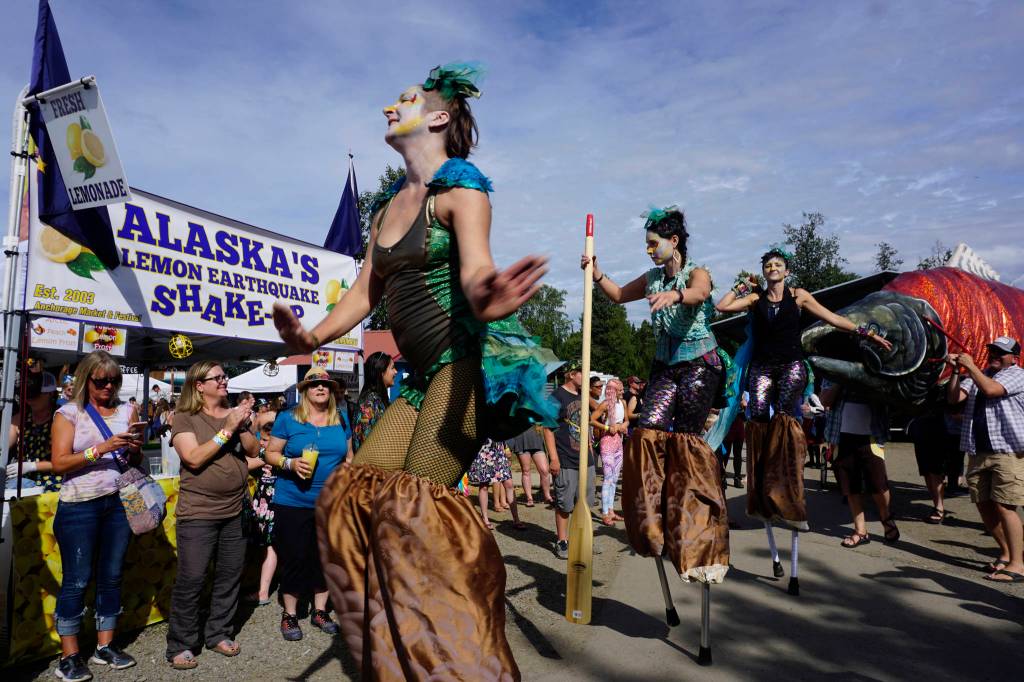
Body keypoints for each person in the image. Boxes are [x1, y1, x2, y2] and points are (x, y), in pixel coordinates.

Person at [273, 60, 553, 680]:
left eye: (403, 99)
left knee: (417, 509)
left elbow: (478, 275)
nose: (386, 108)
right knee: (352, 492)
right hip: (422, 381)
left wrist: (492, 296)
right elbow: (361, 297)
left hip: (464, 369)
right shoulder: (386, 212)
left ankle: (465, 654)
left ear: (439, 116)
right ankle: (397, 644)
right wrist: (308, 336)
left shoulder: (461, 191)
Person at [715, 246, 892, 590]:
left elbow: (832, 317)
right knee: (758, 420)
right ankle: (765, 480)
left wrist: (865, 333)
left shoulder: (799, 296)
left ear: (787, 271)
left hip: (792, 365)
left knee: (785, 419)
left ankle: (790, 477)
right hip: (763, 367)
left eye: (779, 264)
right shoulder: (754, 299)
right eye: (768, 265)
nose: (774, 268)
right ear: (764, 271)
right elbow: (722, 307)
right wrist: (740, 287)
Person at [583, 205, 728, 585]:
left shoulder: (698, 271)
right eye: (646, 245)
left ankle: (696, 522)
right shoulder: (650, 279)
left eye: (654, 244)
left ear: (674, 241)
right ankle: (655, 518)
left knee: (684, 443)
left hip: (699, 364)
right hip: (665, 367)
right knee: (646, 433)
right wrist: (596, 273)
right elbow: (616, 295)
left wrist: (677, 297)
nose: (649, 251)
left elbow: (699, 293)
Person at [49, 351, 142, 680]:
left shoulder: (128, 409)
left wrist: (133, 447)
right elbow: (59, 463)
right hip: (79, 505)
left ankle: (106, 646)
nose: (107, 386)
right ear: (86, 380)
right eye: (100, 380)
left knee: (112, 574)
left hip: (119, 502)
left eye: (113, 380)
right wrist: (100, 449)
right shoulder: (69, 413)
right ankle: (70, 655)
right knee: (76, 579)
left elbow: (134, 456)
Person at [165, 361, 259, 670]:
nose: (223, 381)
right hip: (199, 512)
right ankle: (181, 643)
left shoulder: (231, 412)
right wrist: (228, 428)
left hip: (235, 509)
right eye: (216, 378)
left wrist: (243, 424)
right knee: (192, 579)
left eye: (224, 376)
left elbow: (254, 451)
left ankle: (218, 631)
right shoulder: (185, 418)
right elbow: (193, 458)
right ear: (198, 385)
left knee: (230, 575)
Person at [263, 368, 350, 640]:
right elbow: (270, 453)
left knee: (325, 558)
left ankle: (320, 610)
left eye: (325, 384)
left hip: (331, 501)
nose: (320, 388)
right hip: (293, 500)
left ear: (331, 390)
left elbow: (349, 456)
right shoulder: (288, 419)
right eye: (314, 385)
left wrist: (349, 474)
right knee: (295, 557)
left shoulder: (341, 418)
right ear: (305, 391)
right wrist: (290, 463)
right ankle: (290, 614)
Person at [947, 336, 1024, 583]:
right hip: (977, 450)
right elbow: (954, 399)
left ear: (1015, 357)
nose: (994, 355)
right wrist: (955, 372)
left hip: (1007, 451)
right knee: (984, 504)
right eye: (992, 350)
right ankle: (1005, 553)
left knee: (1005, 506)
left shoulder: (1017, 375)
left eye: (1000, 352)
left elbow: (991, 390)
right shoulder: (980, 374)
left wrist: (969, 367)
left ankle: (1017, 564)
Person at [821, 380, 898, 547]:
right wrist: (842, 380)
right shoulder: (834, 369)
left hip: (871, 436)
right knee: (850, 486)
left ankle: (886, 517)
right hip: (841, 436)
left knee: (878, 485)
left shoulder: (874, 365)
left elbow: (890, 397)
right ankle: (860, 531)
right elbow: (824, 401)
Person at [545, 361, 596, 559]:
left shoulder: (584, 396)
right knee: (565, 503)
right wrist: (554, 458)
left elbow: (587, 425)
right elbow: (548, 429)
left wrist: (591, 451)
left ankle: (581, 539)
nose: (586, 378)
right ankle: (562, 541)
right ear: (572, 375)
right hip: (565, 457)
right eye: (583, 374)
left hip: (586, 459)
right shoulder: (556, 397)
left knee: (585, 501)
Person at [6, 370, 61, 491]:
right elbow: (3, 446)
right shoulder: (20, 418)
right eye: (27, 394)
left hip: (54, 482)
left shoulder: (62, 418)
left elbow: (67, 461)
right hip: (24, 482)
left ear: (50, 393)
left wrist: (33, 466)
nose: (29, 399)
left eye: (34, 394)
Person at [908, 404, 962, 524]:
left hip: (944, 425)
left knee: (936, 470)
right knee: (926, 469)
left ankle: (939, 507)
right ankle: (937, 505)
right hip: (922, 421)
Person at [248, 407, 280, 607]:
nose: (262, 443)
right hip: (264, 504)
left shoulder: (270, 455)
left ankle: (263, 591)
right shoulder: (271, 453)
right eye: (261, 439)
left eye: (266, 440)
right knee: (267, 546)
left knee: (270, 547)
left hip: (270, 506)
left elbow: (246, 464)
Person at [468, 439, 524, 530]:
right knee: (484, 486)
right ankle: (485, 519)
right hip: (483, 449)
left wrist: (506, 448)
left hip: (499, 450)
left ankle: (516, 519)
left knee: (509, 483)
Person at [595, 377, 627, 526]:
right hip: (607, 442)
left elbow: (627, 419)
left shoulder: (623, 403)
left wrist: (622, 425)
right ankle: (605, 512)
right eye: (620, 389)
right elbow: (591, 419)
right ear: (613, 391)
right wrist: (608, 427)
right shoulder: (606, 404)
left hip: (618, 443)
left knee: (614, 478)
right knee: (607, 478)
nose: (623, 391)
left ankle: (611, 510)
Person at [351, 351, 396, 452]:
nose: (396, 372)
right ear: (381, 371)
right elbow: (365, 442)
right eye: (392, 368)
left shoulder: (378, 399)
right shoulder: (369, 403)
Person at [509, 424, 552, 507]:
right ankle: (529, 498)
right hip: (521, 441)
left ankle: (547, 496)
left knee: (544, 470)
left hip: (537, 441)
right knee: (526, 471)